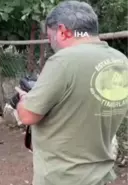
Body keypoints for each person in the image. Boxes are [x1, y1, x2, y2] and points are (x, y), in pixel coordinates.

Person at [15, 1, 128, 185]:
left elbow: (28, 116)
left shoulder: (63, 60)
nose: (51, 42)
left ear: (62, 30)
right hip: (100, 175)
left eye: (50, 36)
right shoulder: (121, 60)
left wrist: (24, 100)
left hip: (62, 177)